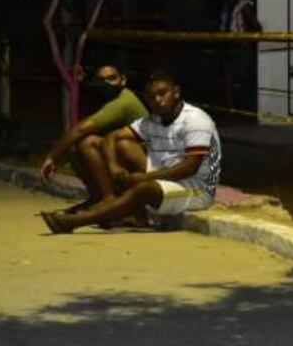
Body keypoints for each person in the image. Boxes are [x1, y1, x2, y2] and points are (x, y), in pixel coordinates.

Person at [39, 69, 221, 234]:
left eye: (162, 94)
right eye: (151, 96)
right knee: (123, 145)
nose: (157, 100)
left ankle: (74, 222)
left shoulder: (196, 120)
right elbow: (113, 138)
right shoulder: (153, 120)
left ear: (176, 92)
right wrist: (113, 167)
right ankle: (121, 207)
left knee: (143, 188)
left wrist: (145, 178)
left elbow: (190, 168)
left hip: (196, 189)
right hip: (165, 176)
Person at [38, 65, 148, 210]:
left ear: (123, 80)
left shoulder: (123, 102)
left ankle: (109, 199)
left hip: (144, 162)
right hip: (125, 158)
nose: (106, 83)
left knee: (87, 142)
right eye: (101, 80)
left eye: (111, 78)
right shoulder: (109, 98)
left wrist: (52, 157)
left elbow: (80, 129)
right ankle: (97, 197)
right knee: (73, 149)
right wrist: (81, 81)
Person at [220, 0, 260, 110]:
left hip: (241, 45)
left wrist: (247, 38)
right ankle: (232, 106)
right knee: (230, 77)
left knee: (241, 76)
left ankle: (241, 106)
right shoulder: (229, 8)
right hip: (231, 45)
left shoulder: (244, 6)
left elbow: (255, 25)